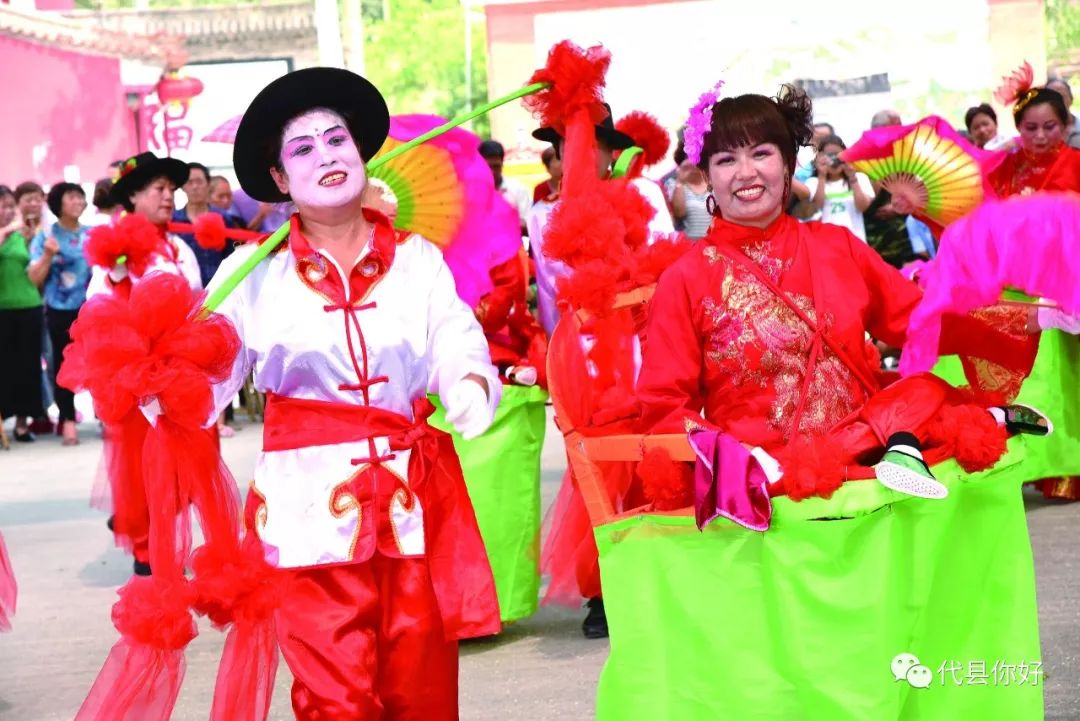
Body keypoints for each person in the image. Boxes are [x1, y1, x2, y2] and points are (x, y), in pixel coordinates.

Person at [207, 67, 500, 717]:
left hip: (409, 507)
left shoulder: (417, 260)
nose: (326, 156)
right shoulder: (251, 276)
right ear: (280, 180)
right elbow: (205, 377)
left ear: (362, 152)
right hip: (303, 512)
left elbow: (454, 333)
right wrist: (160, 375)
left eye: (336, 139)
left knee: (419, 686)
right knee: (333, 696)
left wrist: (469, 379)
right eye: (302, 148)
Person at [636, 82, 1051, 508]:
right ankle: (944, 433)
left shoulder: (837, 245)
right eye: (726, 160)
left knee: (925, 388)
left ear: (788, 163)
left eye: (761, 153)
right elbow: (665, 404)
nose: (745, 173)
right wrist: (729, 455)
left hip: (866, 452)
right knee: (934, 415)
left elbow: (918, 317)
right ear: (704, 177)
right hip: (772, 476)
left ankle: (909, 442)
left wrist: (1030, 318)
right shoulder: (684, 279)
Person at [79, 151, 202, 576]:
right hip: (138, 375)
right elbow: (98, 305)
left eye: (172, 189)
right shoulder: (117, 247)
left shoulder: (179, 247)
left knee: (184, 464)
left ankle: (167, 540)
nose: (170, 197)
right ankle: (148, 548)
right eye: (159, 189)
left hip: (181, 372)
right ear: (133, 195)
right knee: (140, 463)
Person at [985, 76, 1080, 500]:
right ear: (1017, 128)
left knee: (1065, 382)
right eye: (1030, 128)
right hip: (1016, 288)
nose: (1040, 136)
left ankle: (1068, 468)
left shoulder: (1076, 164)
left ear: (1065, 124)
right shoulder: (1003, 170)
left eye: (1050, 127)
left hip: (1064, 287)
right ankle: (1028, 466)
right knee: (1029, 382)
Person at [527, 104, 675, 336]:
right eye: (572, 144)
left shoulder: (642, 193)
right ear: (559, 152)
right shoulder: (541, 214)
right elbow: (548, 296)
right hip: (580, 343)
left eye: (594, 146)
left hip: (645, 336)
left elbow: (668, 273)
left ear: (610, 152)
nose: (582, 154)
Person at [27, 182, 91, 445]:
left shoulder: (93, 234)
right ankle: (67, 419)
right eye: (72, 197)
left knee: (99, 363)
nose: (79, 201)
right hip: (59, 310)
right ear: (59, 204)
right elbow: (34, 278)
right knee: (63, 367)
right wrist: (47, 255)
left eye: (81, 197)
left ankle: (107, 416)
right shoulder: (47, 236)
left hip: (92, 309)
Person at [0, 185, 45, 442]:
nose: (8, 212)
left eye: (10, 206)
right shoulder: (8, 233)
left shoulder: (23, 235)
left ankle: (22, 423)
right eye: (3, 206)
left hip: (29, 305)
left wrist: (28, 239)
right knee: (3, 368)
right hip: (2, 309)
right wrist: (7, 230)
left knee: (27, 366)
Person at [798, 134, 874, 241]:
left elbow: (863, 207)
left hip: (856, 243)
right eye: (829, 155)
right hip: (827, 243)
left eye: (837, 155)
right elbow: (817, 208)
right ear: (820, 157)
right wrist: (822, 176)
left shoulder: (860, 178)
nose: (834, 160)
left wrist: (852, 177)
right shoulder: (813, 182)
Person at [479, 139, 532, 230]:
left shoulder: (519, 189)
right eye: (487, 166)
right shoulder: (468, 192)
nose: (492, 171)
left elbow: (529, 224)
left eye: (496, 166)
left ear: (502, 163)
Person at [1045, 77, 1080, 149]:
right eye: (1052, 98)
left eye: (1062, 97)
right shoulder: (1037, 134)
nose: (1058, 102)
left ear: (1071, 99)